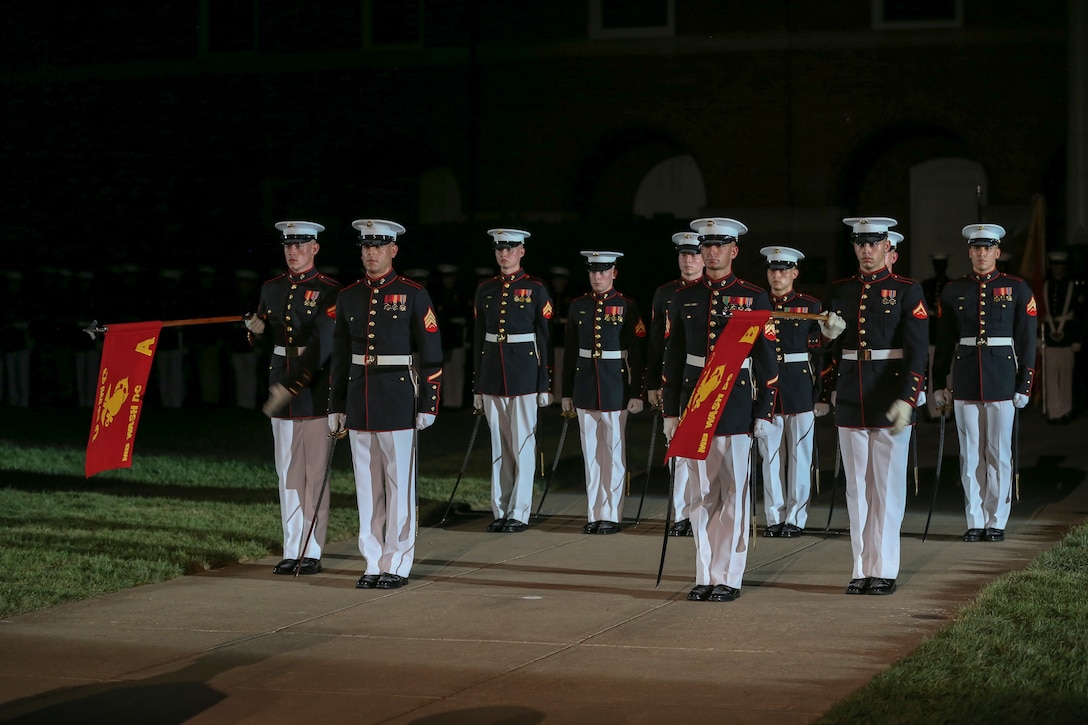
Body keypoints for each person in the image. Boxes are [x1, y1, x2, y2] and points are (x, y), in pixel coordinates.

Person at [661, 217, 778, 603]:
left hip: (736, 404)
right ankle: (705, 573)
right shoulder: (683, 297)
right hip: (695, 404)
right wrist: (670, 412)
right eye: (705, 246)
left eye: (719, 246)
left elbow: (766, 359)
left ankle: (729, 575)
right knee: (701, 494)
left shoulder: (753, 296)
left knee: (733, 493)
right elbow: (674, 358)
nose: (711, 253)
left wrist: (764, 410)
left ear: (734, 250)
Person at [328, 219, 443, 590]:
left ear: (393, 250)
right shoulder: (349, 296)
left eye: (378, 246)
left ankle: (397, 561)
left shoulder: (413, 293)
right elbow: (341, 355)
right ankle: (372, 560)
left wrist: (429, 401)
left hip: (397, 397)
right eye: (365, 247)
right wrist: (336, 404)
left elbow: (431, 352)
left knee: (399, 486)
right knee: (367, 486)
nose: (371, 253)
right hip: (360, 396)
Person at [819, 217, 928, 596]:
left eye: (874, 243)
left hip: (888, 394)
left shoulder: (907, 291)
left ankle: (884, 568)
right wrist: (828, 338)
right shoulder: (841, 290)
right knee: (856, 490)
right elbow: (827, 350)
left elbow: (916, 352)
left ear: (887, 247)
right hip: (851, 395)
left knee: (886, 488)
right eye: (860, 243)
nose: (867, 250)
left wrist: (909, 399)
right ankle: (860, 567)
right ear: (855, 247)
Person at [245, 220, 341, 577]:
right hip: (280, 386)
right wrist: (254, 333)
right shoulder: (271, 288)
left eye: (300, 245)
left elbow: (324, 345)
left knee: (314, 473)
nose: (293, 252)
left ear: (315, 248)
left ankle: (312, 549)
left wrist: (291, 385)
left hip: (313, 390)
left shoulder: (330, 290)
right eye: (288, 246)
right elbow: (267, 339)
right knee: (287, 472)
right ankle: (292, 547)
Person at [932, 223, 1037, 543]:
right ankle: (974, 519)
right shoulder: (953, 290)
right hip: (965, 379)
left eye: (987, 248)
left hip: (1002, 380)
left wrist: (1025, 384)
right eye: (976, 248)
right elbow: (945, 340)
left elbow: (1027, 340)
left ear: (997, 252)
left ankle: (997, 520)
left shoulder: (1017, 288)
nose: (981, 254)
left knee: (998, 453)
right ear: (969, 252)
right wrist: (938, 382)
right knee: (970, 455)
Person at [472, 228, 554, 533]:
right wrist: (477, 385)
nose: (504, 254)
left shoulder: (535, 288)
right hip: (493, 375)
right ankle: (501, 509)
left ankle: (519, 512)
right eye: (499, 249)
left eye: (510, 248)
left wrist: (544, 383)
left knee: (522, 446)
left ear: (522, 251)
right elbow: (480, 340)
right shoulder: (485, 289)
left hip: (524, 376)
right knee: (499, 447)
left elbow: (544, 339)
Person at [562, 251, 647, 534]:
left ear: (614, 273)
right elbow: (570, 353)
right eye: (593, 271)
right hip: (585, 385)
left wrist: (637, 392)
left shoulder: (626, 306)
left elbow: (636, 354)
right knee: (591, 454)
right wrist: (566, 392)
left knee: (613, 452)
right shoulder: (578, 306)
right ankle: (594, 513)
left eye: (603, 271)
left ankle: (611, 513)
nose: (598, 277)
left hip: (615, 386)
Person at [757, 245, 823, 538]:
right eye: (773, 269)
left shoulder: (809, 305)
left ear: (795, 273)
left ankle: (796, 517)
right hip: (767, 391)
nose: (777, 275)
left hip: (799, 388)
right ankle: (774, 517)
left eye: (784, 270)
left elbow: (820, 355)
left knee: (800, 456)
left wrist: (820, 392)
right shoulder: (757, 304)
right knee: (769, 457)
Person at [645, 231, 704, 536]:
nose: (688, 260)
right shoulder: (665, 293)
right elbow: (658, 342)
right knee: (677, 449)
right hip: (675, 379)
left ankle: (701, 512)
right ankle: (681, 514)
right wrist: (654, 380)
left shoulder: (713, 291)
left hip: (706, 378)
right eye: (683, 254)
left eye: (693, 254)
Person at [1041, 251, 1085, 424]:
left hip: (1067, 336)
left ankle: (1065, 410)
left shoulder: (1073, 287)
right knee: (1051, 376)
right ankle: (1053, 411)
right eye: (1055, 265)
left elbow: (1080, 315)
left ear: (1065, 267)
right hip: (1050, 337)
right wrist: (1040, 337)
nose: (1057, 269)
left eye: (1060, 265)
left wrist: (1077, 339)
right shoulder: (1045, 285)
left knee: (1065, 375)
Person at [432, 263, 469, 409]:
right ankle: (448, 401)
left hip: (458, 337)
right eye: (446, 278)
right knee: (446, 372)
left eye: (450, 277)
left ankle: (456, 401)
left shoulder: (460, 294)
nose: (448, 280)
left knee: (457, 370)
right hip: (444, 338)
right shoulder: (438, 295)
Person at [921, 253, 951, 420]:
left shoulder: (951, 285)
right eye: (936, 265)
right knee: (931, 374)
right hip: (931, 336)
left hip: (946, 338)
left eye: (942, 264)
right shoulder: (927, 285)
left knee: (948, 375)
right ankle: (934, 411)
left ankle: (946, 411)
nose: (939, 268)